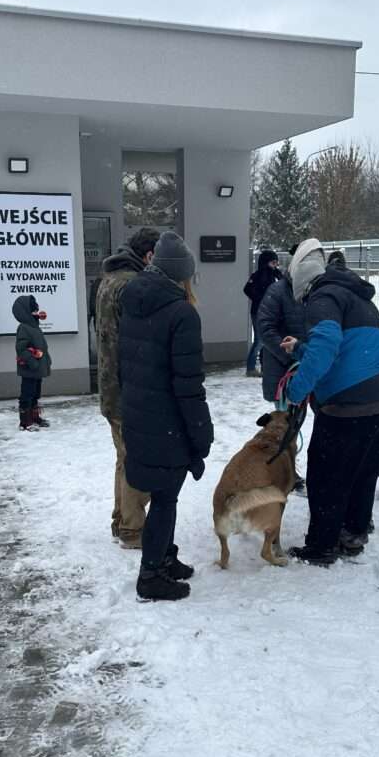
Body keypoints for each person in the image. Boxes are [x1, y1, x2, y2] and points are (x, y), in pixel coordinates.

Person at [281, 238, 379, 566]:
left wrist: (296, 390)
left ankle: (322, 546)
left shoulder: (323, 297)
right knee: (364, 469)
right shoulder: (355, 295)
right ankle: (353, 533)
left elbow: (327, 346)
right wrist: (301, 348)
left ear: (303, 281)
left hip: (350, 404)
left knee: (326, 475)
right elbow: (346, 346)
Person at [119, 231, 214, 602]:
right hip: (168, 424)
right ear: (181, 275)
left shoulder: (133, 300)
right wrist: (201, 435)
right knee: (165, 499)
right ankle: (151, 575)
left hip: (141, 415)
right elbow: (188, 386)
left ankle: (164, 557)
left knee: (162, 494)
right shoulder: (182, 314)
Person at [95, 228, 158, 549]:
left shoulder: (109, 280)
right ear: (149, 255)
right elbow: (139, 343)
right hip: (128, 389)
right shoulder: (132, 286)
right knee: (136, 459)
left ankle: (121, 519)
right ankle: (133, 528)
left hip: (110, 387)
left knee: (123, 457)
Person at [256, 260, 307, 493]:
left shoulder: (314, 290)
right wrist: (292, 354)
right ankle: (284, 470)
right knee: (285, 425)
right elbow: (265, 329)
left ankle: (289, 468)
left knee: (300, 423)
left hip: (309, 367)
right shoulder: (277, 291)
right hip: (283, 370)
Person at [13, 295, 51, 430]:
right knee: (27, 394)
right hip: (29, 369)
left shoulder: (35, 327)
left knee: (35, 394)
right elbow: (21, 349)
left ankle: (34, 417)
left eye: (36, 309)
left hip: (37, 368)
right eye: (33, 310)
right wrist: (33, 363)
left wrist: (47, 360)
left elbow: (41, 346)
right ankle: (25, 421)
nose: (36, 312)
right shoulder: (24, 328)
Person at [243, 249, 281, 376]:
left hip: (269, 312)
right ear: (266, 262)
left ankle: (264, 366)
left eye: (276, 262)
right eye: (273, 262)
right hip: (259, 311)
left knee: (265, 340)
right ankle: (251, 367)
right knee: (260, 340)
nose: (275, 265)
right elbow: (247, 289)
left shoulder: (274, 275)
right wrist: (261, 299)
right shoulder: (259, 275)